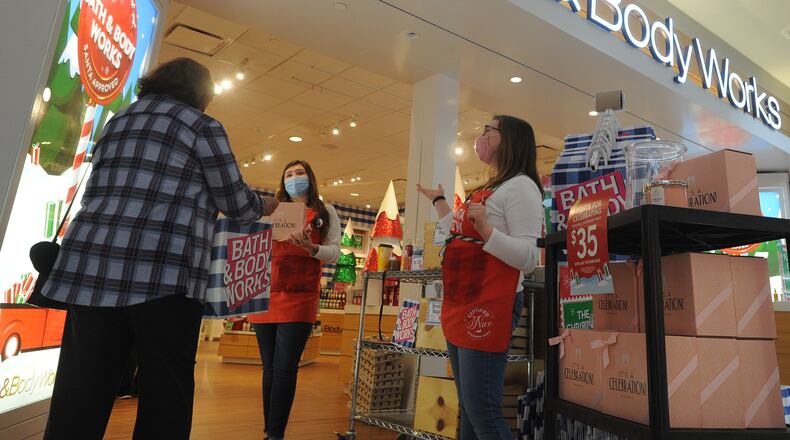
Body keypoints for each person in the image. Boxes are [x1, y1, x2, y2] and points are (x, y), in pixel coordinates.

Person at [41, 57, 278, 440]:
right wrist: (264, 204)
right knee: (165, 394)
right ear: (201, 94)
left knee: (80, 390)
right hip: (164, 277)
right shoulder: (201, 125)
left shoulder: (117, 122)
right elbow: (236, 202)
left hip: (92, 272)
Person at [417, 115, 543, 440]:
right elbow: (460, 234)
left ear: (510, 139)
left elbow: (530, 258)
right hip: (463, 302)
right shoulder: (491, 187)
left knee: (484, 414)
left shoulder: (522, 187)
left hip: (488, 305)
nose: (482, 134)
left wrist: (487, 230)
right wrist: (439, 201)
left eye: (490, 129)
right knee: (471, 411)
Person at [247, 160, 341, 440]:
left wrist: (311, 247)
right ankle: (269, 429)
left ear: (310, 178)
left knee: (285, 368)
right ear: (282, 181)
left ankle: (275, 434)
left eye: (299, 173)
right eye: (289, 174)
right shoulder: (270, 212)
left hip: (299, 296)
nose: (294, 178)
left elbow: (334, 253)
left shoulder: (326, 212)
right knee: (269, 369)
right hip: (265, 294)